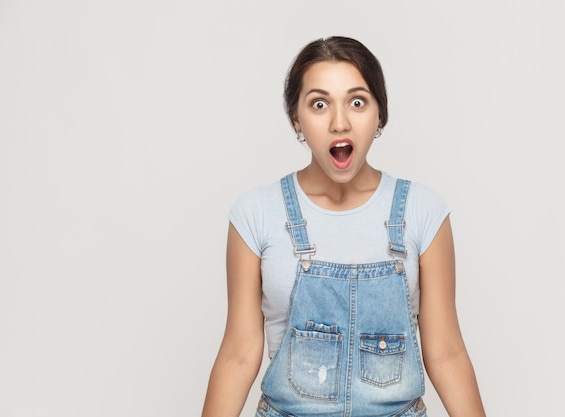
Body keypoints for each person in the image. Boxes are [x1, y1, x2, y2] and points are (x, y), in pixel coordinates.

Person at [201, 36, 486, 417]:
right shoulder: (256, 214)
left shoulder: (422, 210)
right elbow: (238, 355)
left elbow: (447, 353)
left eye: (357, 102)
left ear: (379, 114)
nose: (340, 122)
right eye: (320, 104)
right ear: (296, 119)